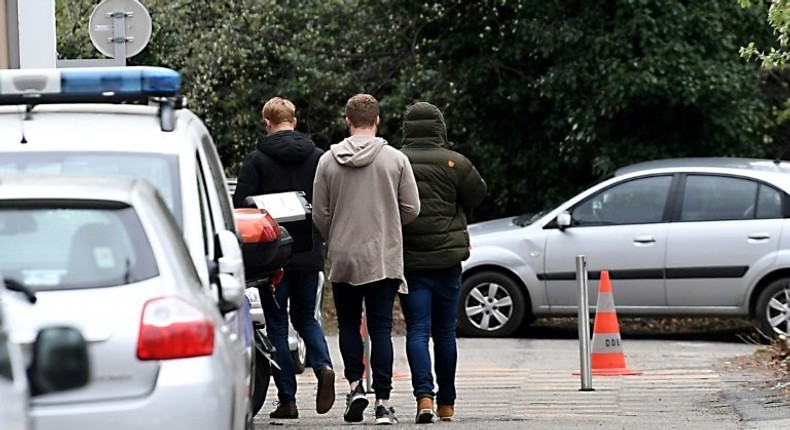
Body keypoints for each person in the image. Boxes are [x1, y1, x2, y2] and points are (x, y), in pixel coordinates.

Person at [312, 94, 420, 425]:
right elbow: (412, 208)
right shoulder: (395, 159)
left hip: (345, 254)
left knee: (347, 325)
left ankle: (356, 387)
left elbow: (320, 213)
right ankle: (384, 403)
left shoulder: (328, 161)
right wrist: (387, 223)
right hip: (382, 255)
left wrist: (339, 230)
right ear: (378, 120)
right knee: (381, 329)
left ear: (348, 120)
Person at [233, 96, 335, 419]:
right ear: (294, 119)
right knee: (306, 318)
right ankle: (323, 366)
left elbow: (242, 209)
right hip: (309, 252)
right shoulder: (318, 158)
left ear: (267, 122)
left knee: (277, 325)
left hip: (273, 258)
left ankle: (287, 401)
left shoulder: (256, 161)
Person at [398, 101, 487, 424]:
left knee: (417, 330)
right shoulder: (455, 162)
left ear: (407, 128)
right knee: (445, 332)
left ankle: (424, 397)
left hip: (409, 260)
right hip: (447, 260)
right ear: (440, 128)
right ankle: (446, 404)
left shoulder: (397, 161)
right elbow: (478, 195)